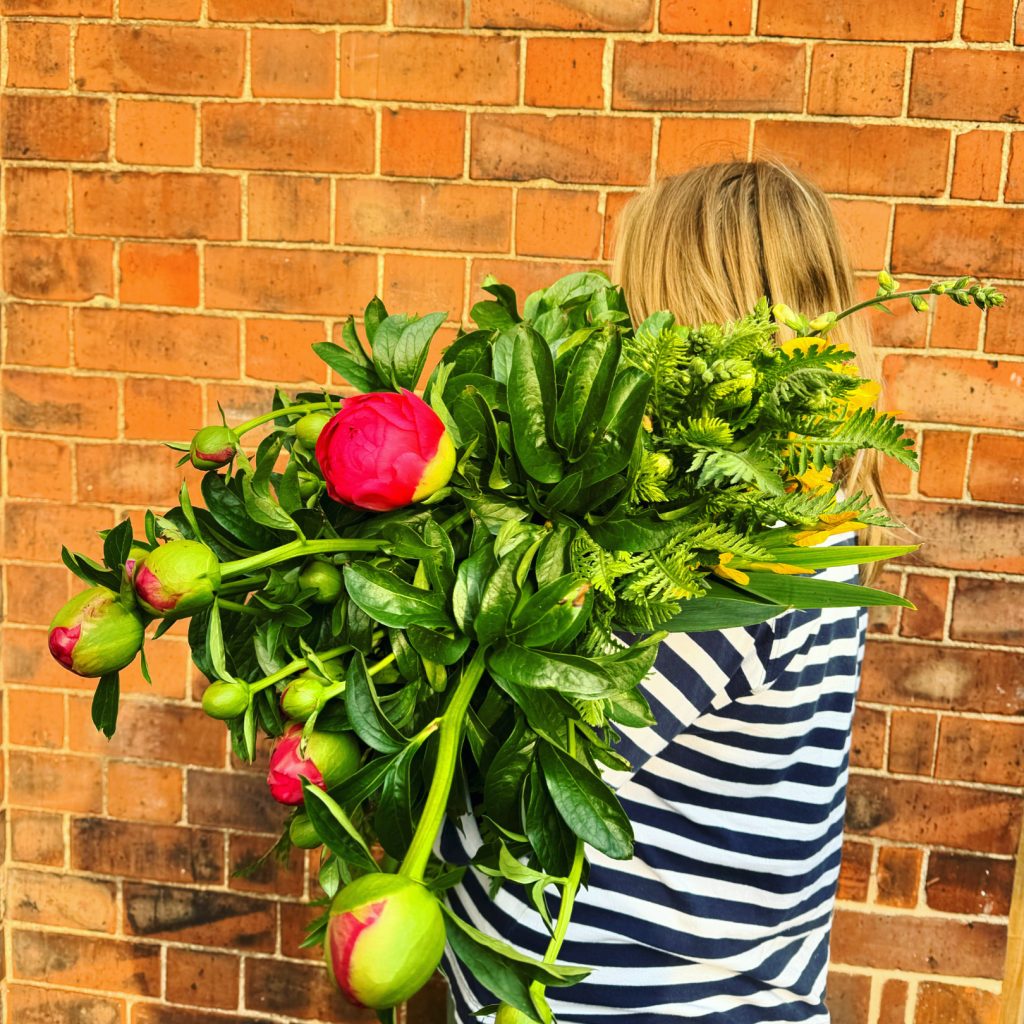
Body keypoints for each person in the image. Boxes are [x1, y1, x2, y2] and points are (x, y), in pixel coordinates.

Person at [440, 160, 879, 1024]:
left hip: (654, 1000)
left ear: (684, 321)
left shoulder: (742, 553)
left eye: (629, 304)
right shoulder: (803, 509)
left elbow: (542, 763)